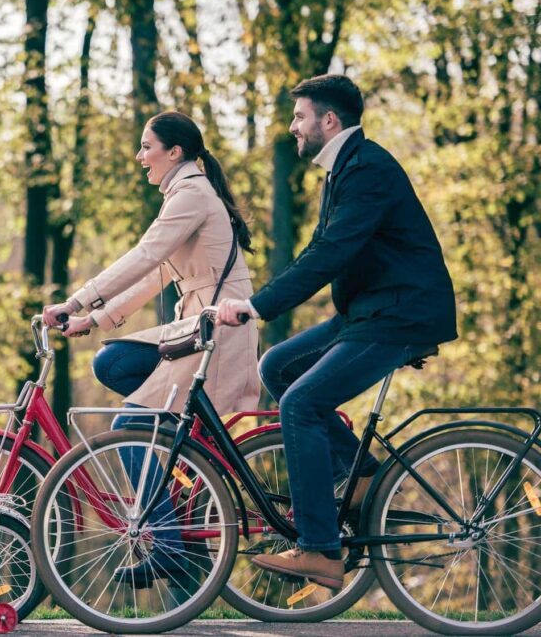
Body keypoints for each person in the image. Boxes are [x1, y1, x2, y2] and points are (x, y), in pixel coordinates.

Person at [218, 74, 457, 590]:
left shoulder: (367, 169)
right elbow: (318, 251)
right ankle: (363, 475)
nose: (293, 127)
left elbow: (332, 255)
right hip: (367, 311)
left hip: (399, 314)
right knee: (277, 367)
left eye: (300, 117)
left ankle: (321, 550)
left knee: (300, 404)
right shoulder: (343, 171)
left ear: (329, 121)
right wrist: (256, 304)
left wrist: (256, 306)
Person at [43, 110, 260, 587]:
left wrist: (77, 299)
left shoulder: (191, 194)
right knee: (114, 361)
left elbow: (146, 256)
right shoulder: (189, 193)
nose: (140, 157)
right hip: (199, 326)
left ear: (174, 151)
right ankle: (179, 472)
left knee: (131, 422)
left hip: (217, 332)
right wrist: (95, 319)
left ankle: (169, 542)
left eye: (147, 147)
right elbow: (160, 273)